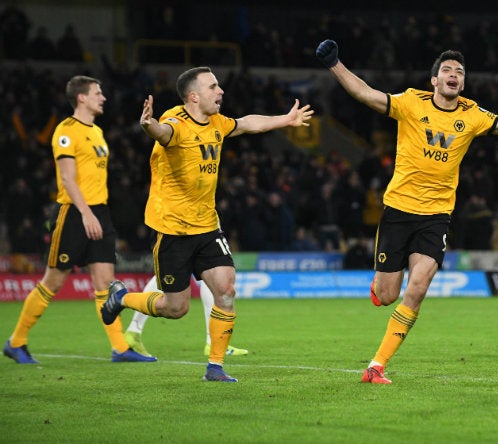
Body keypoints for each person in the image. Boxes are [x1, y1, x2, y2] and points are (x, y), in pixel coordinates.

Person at [315, 39, 498, 383]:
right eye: (447, 70)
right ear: (434, 80)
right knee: (387, 295)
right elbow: (367, 94)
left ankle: (376, 366)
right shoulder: (410, 102)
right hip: (399, 209)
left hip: (437, 216)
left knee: (418, 287)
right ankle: (379, 288)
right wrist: (335, 64)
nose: (454, 75)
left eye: (459, 72)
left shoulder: (472, 114)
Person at [100, 66, 313, 382]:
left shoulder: (217, 122)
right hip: (174, 230)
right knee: (176, 308)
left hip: (208, 226)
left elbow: (246, 124)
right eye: (214, 87)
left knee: (226, 289)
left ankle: (215, 367)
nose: (221, 91)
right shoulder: (177, 124)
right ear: (194, 96)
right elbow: (163, 133)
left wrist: (284, 119)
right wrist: (148, 125)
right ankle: (121, 298)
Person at [3, 76, 156, 364]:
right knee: (54, 281)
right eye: (98, 93)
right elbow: (67, 179)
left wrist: (96, 215)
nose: (104, 98)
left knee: (105, 283)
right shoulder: (65, 131)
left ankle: (120, 348)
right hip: (73, 213)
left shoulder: (97, 132)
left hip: (99, 212)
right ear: (82, 98)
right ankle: (16, 342)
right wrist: (86, 215)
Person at [124, 275, 249, 357]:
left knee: (209, 271)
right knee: (169, 272)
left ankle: (214, 341)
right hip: (175, 234)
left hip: (195, 234)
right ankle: (124, 303)